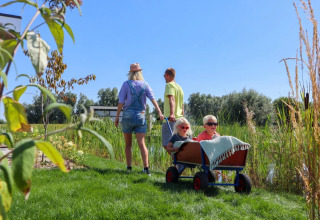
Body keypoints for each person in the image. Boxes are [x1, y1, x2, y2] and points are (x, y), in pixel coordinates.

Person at [115, 63, 164, 175]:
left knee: (128, 144)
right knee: (142, 143)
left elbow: (121, 102)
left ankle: (129, 168)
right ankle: (146, 169)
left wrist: (117, 117)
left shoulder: (126, 84)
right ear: (140, 73)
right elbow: (153, 99)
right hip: (140, 116)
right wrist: (159, 112)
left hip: (127, 116)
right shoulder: (145, 85)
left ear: (130, 73)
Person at [161, 67, 184, 149]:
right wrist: (182, 113)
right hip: (180, 119)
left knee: (166, 143)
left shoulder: (169, 85)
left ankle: (175, 159)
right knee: (177, 142)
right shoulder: (179, 87)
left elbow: (172, 98)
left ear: (167, 75)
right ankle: (177, 160)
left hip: (170, 119)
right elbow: (182, 103)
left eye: (164, 76)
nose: (164, 78)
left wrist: (172, 114)